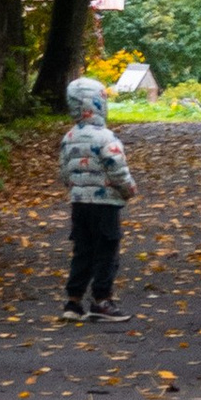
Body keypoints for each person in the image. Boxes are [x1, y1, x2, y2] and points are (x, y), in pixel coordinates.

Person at [57, 73, 137, 321]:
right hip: (105, 203)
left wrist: (77, 188)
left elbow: (64, 172)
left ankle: (73, 301)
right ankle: (102, 300)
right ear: (100, 104)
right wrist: (128, 188)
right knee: (106, 251)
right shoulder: (107, 138)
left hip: (80, 203)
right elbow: (116, 168)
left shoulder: (69, 138)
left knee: (83, 250)